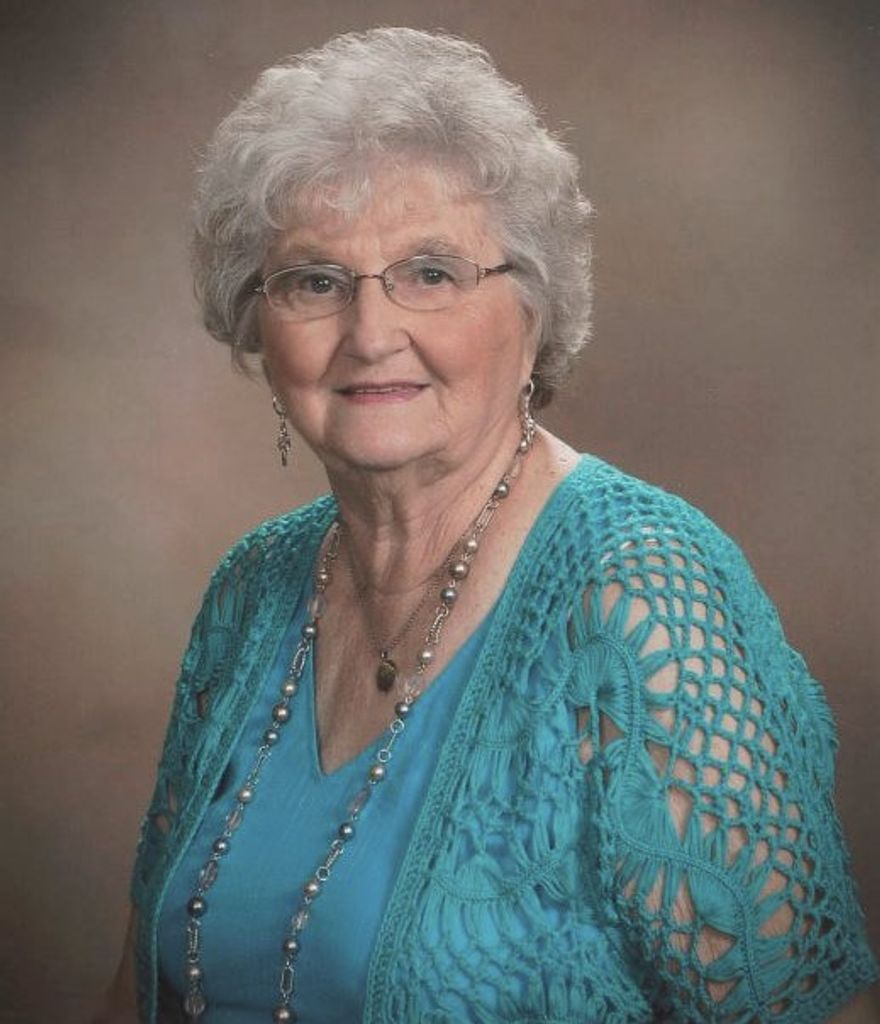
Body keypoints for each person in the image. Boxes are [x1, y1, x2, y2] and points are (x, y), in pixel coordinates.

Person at [95, 27, 879, 1024]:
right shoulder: (253, 590)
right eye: (314, 281)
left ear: (534, 312)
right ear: (258, 323)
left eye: (431, 273)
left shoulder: (636, 591)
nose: (371, 334)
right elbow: (137, 991)